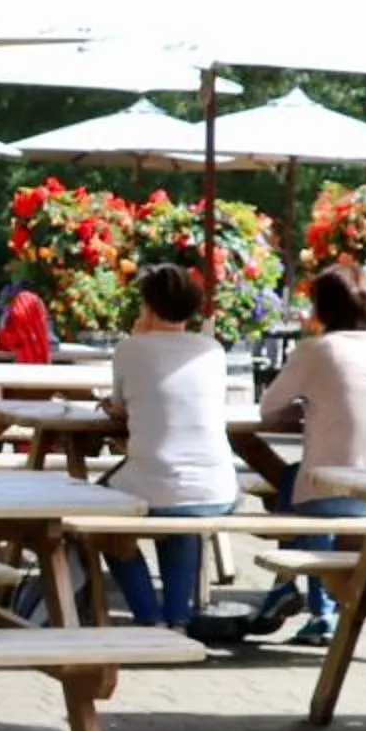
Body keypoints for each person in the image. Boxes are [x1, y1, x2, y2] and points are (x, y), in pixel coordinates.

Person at [257, 261, 366, 645]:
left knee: (299, 486)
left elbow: (268, 408)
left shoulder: (316, 350)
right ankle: (290, 588)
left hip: (330, 492)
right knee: (295, 480)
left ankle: (316, 606)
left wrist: (307, 405)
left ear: (321, 307)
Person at [106, 264, 238, 628]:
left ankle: (150, 619)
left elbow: (118, 407)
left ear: (147, 305)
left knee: (101, 519)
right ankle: (178, 616)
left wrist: (137, 335)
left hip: (156, 480)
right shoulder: (211, 350)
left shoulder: (131, 349)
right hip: (217, 486)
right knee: (182, 515)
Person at [0, 280, 53, 364]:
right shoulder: (38, 301)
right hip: (41, 355)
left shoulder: (21, 301)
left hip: (24, 358)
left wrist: (0, 337)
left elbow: (13, 335)